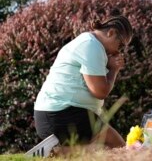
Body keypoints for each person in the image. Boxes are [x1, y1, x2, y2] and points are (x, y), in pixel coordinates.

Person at [33, 15, 133, 150]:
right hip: (59, 114)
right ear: (111, 33)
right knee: (117, 146)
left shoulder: (88, 42)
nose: (118, 51)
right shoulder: (92, 46)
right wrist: (113, 70)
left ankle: (58, 152)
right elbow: (100, 91)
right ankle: (57, 152)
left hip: (53, 115)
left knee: (103, 149)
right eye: (120, 45)